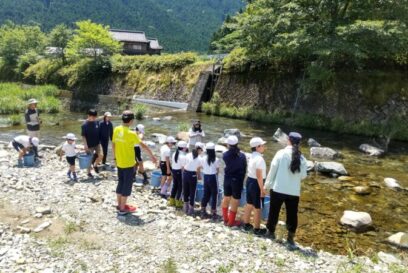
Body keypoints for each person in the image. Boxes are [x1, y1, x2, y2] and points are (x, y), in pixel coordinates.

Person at [264, 132, 307, 249]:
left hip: (278, 188)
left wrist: (266, 185)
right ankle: (290, 238)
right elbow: (303, 176)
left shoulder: (281, 153)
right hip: (294, 191)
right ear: (299, 143)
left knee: (274, 211)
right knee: (292, 215)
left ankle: (270, 233)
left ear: (288, 140)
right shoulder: (302, 158)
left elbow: (272, 169)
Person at [112, 110, 157, 215]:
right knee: (127, 186)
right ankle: (122, 209)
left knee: (121, 182)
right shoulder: (132, 134)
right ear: (131, 121)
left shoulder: (116, 129)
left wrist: (115, 158)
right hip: (128, 164)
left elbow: (113, 144)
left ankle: (119, 204)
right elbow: (143, 146)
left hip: (119, 163)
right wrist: (152, 157)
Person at [242, 137, 267, 236]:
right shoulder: (259, 159)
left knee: (249, 204)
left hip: (249, 181)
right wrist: (262, 189)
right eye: (262, 145)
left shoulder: (251, 156)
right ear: (257, 147)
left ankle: (246, 224)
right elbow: (259, 175)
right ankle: (257, 229)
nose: (264, 147)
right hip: (257, 183)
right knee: (258, 207)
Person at [221, 136, 247, 226]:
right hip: (237, 180)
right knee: (235, 201)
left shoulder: (225, 155)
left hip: (227, 178)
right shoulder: (242, 155)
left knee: (226, 197)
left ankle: (225, 219)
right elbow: (244, 169)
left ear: (228, 145)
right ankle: (231, 222)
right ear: (237, 144)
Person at [200, 142, 221, 220]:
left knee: (206, 193)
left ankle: (203, 210)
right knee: (214, 194)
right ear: (213, 150)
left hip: (205, 177)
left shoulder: (203, 158)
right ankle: (213, 212)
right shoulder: (217, 159)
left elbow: (202, 167)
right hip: (213, 177)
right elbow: (218, 170)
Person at [183, 142, 204, 215]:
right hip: (193, 175)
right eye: (202, 150)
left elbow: (184, 165)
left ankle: (185, 207)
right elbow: (198, 168)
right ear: (200, 150)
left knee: (185, 190)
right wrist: (199, 175)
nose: (202, 152)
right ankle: (191, 209)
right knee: (192, 192)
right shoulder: (200, 158)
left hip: (185, 173)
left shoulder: (188, 155)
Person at [81, 109, 103, 178]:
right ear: (88, 116)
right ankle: (88, 173)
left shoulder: (97, 122)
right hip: (89, 145)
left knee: (101, 155)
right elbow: (83, 136)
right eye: (92, 117)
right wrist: (85, 145)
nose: (94, 118)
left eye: (95, 117)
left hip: (97, 143)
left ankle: (95, 165)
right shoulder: (84, 125)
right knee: (89, 159)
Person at [168, 141, 188, 208]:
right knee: (180, 187)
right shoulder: (183, 156)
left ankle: (171, 201)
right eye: (185, 147)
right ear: (183, 148)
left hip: (174, 170)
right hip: (179, 172)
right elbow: (183, 167)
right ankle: (178, 203)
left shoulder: (174, 153)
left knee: (175, 185)